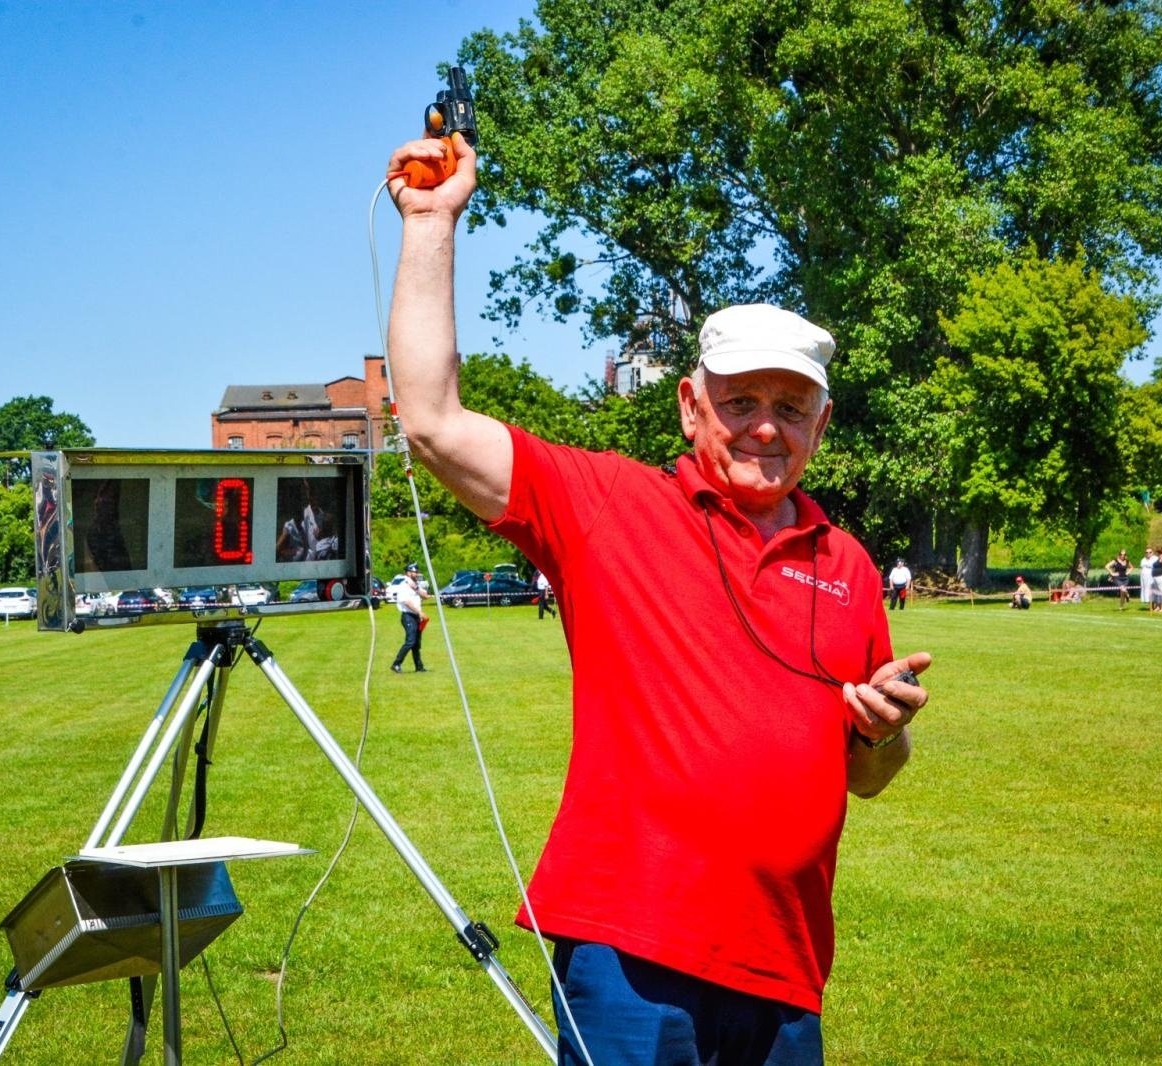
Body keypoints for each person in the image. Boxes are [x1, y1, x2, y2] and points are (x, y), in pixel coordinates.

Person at [384, 132, 931, 1066]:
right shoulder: (608, 505)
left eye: (792, 406)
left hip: (786, 969)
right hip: (628, 956)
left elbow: (864, 775)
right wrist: (433, 224)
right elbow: (433, 423)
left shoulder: (847, 564)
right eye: (739, 401)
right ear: (689, 406)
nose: (765, 425)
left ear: (822, 423)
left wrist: (883, 734)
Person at [390, 563, 428, 673]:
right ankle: (396, 664)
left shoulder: (415, 585)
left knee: (416, 643)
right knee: (410, 641)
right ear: (408, 573)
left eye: (416, 572)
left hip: (416, 616)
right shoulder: (403, 586)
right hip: (408, 616)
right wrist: (419, 612)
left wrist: (416, 588)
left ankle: (419, 666)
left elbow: (425, 596)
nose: (416, 574)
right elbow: (407, 602)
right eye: (414, 572)